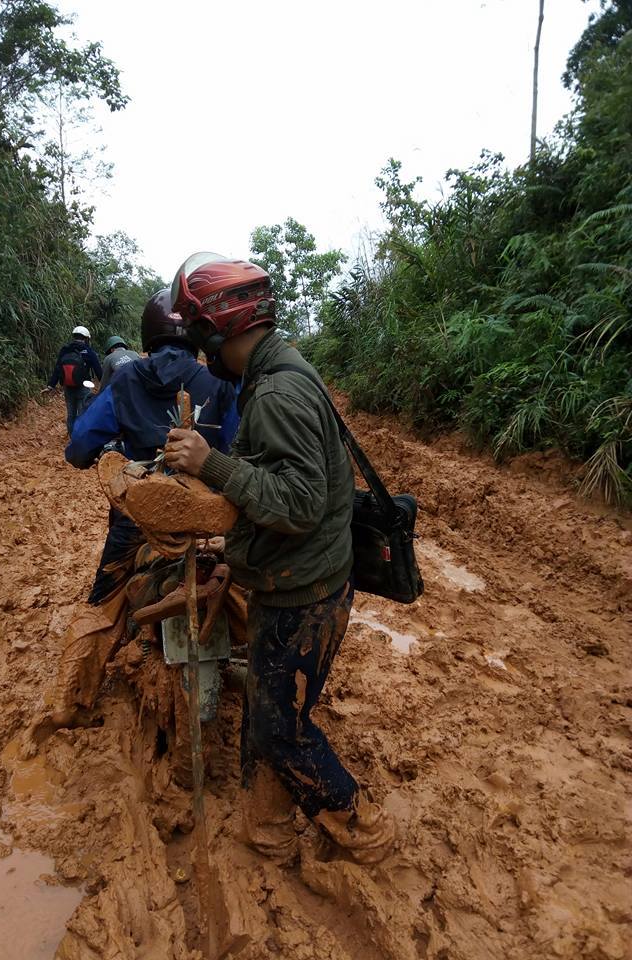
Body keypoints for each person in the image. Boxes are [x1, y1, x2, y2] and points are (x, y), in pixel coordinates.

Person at [164, 253, 394, 865]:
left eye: (198, 333)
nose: (199, 348)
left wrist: (209, 464)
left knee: (280, 728)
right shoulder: (280, 372)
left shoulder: (276, 393)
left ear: (220, 328)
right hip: (294, 576)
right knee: (272, 709)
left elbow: (295, 502)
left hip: (305, 592)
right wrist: (232, 555)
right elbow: (277, 484)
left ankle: (359, 825)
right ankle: (265, 825)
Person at [22, 289, 238, 756]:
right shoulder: (219, 383)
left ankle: (70, 702)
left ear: (148, 336)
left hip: (139, 520)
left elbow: (80, 448)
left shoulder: (124, 381)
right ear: (197, 340)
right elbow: (242, 450)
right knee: (245, 587)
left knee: (104, 604)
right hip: (206, 522)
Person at [46, 325, 103, 436]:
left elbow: (58, 368)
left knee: (71, 413)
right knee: (83, 413)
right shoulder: (88, 351)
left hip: (68, 386)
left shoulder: (65, 350)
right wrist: (104, 383)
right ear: (86, 338)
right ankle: (80, 437)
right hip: (84, 386)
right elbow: (98, 370)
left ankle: (72, 436)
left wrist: (51, 385)